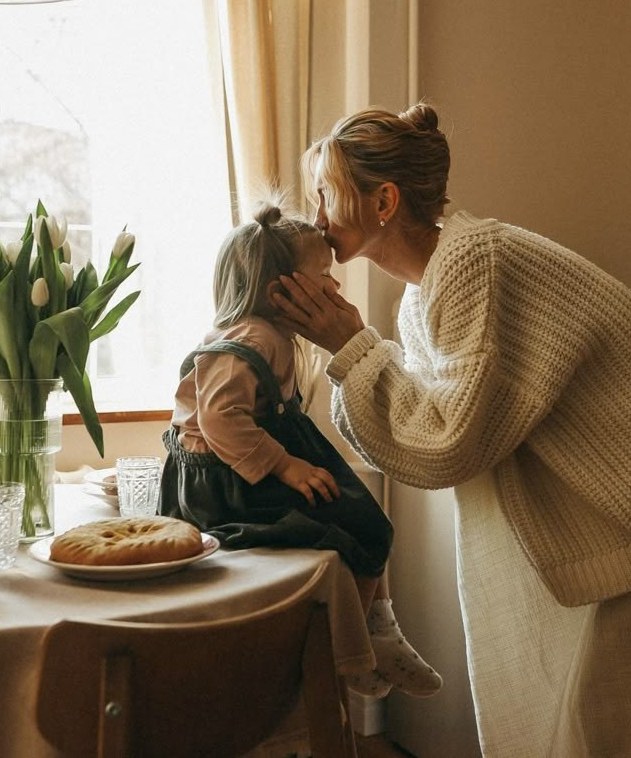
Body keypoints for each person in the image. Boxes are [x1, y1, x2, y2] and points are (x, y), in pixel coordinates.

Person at [270, 103, 631, 758]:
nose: (316, 212)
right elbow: (424, 430)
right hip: (625, 496)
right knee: (602, 731)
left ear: (384, 200)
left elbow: (448, 441)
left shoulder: (476, 258)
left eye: (326, 192)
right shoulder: (424, 295)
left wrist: (351, 346)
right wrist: (350, 347)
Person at [159, 201, 442, 700]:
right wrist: (284, 464)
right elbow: (219, 418)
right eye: (323, 276)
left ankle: (379, 627)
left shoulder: (275, 336)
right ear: (279, 291)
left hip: (256, 466)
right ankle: (353, 649)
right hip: (227, 485)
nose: (333, 287)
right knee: (351, 532)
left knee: (371, 521)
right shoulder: (250, 338)